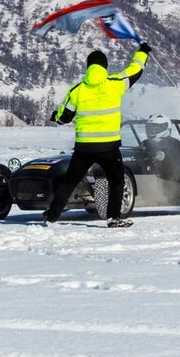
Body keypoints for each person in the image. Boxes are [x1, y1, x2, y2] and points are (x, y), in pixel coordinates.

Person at [43, 42, 150, 227]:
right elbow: (135, 71)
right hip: (109, 147)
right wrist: (143, 53)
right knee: (116, 181)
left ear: (88, 67)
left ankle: (52, 214)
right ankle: (113, 217)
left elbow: (65, 117)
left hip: (84, 147)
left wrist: (56, 117)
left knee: (70, 181)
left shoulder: (77, 90)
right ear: (105, 67)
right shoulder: (115, 84)